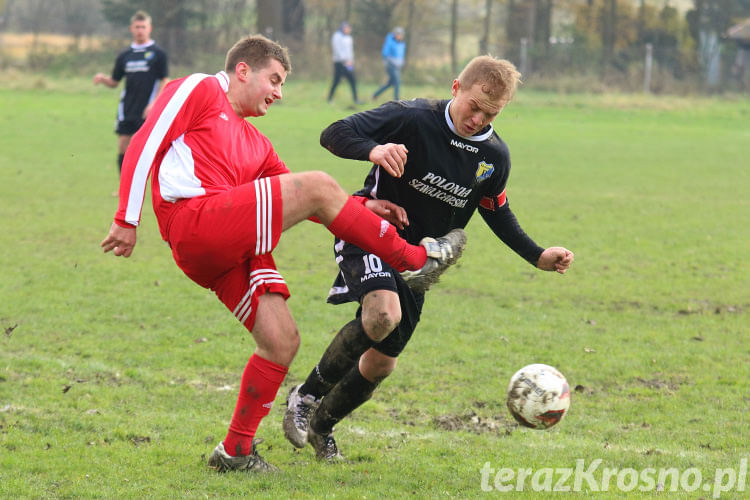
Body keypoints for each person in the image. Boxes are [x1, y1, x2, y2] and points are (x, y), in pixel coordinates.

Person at [100, 34, 466, 473]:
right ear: (242, 70)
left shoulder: (256, 143)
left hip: (225, 248)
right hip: (195, 223)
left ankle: (234, 452)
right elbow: (144, 140)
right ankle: (416, 261)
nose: (278, 92)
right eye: (273, 79)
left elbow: (309, 201)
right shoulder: (201, 88)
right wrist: (127, 217)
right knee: (318, 184)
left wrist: (363, 207)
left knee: (281, 342)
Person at [283, 55, 575, 461]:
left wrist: (537, 255)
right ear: (456, 87)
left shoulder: (494, 157)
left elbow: (495, 209)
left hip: (420, 261)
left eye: (491, 113)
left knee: (382, 364)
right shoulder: (413, 118)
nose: (478, 119)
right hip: (369, 231)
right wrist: (374, 149)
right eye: (473, 106)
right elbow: (334, 133)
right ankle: (306, 395)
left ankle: (322, 426)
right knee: (382, 315)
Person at [93, 10, 169, 175]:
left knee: (149, 149)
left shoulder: (158, 54)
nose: (140, 30)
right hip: (127, 107)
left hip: (148, 108)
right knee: (123, 145)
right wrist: (102, 79)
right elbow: (115, 81)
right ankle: (124, 188)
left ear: (150, 28)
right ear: (131, 29)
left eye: (143, 27)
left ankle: (151, 185)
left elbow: (165, 80)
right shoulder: (124, 56)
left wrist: (154, 104)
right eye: (137, 27)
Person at [327, 21, 362, 105]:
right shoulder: (337, 36)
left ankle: (356, 99)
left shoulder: (349, 38)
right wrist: (344, 60)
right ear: (343, 28)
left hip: (348, 64)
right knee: (337, 81)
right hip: (339, 63)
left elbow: (350, 51)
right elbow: (337, 49)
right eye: (347, 28)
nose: (348, 30)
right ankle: (330, 99)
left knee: (353, 80)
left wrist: (351, 61)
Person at [372, 26, 406, 101]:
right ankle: (397, 100)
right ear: (395, 34)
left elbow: (401, 55)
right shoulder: (390, 42)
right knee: (397, 82)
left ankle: (375, 94)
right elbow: (385, 54)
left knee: (390, 83)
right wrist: (392, 61)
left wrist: (402, 62)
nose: (401, 36)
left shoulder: (402, 44)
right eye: (399, 34)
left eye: (402, 34)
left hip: (398, 66)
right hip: (390, 65)